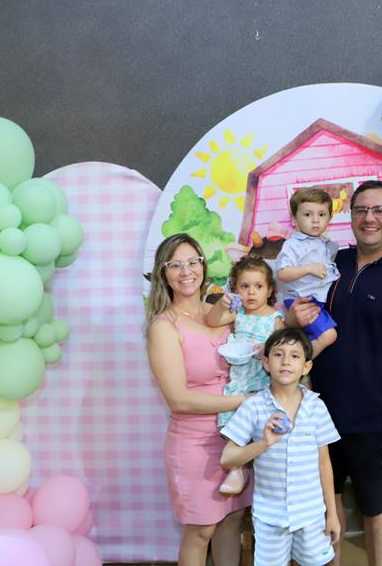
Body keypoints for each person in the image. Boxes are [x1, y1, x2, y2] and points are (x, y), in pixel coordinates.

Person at [287, 180, 382, 566]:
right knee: (328, 504)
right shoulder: (333, 263)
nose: (369, 218)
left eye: (380, 210)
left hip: (371, 422)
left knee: (375, 508)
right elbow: (299, 316)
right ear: (351, 216)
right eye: (361, 210)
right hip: (317, 414)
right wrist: (290, 319)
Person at [145, 233, 251, 566]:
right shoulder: (163, 327)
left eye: (193, 262)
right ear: (163, 274)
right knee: (202, 531)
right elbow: (179, 400)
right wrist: (245, 402)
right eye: (175, 265)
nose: (186, 271)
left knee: (232, 520)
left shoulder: (222, 312)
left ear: (204, 266)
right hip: (196, 445)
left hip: (237, 438)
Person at [220, 328, 341, 566]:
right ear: (266, 363)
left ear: (306, 366)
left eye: (295, 356)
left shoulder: (317, 407)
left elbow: (324, 463)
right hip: (269, 518)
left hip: (311, 515)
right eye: (278, 354)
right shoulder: (253, 406)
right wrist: (264, 443)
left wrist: (332, 514)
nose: (286, 361)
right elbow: (227, 458)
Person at [206, 254, 285, 495]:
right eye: (244, 286)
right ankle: (238, 468)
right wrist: (223, 305)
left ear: (269, 290)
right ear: (235, 289)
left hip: (261, 379)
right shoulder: (238, 313)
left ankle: (256, 468)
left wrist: (266, 351)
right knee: (233, 421)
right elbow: (212, 320)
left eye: (258, 286)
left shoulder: (274, 318)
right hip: (239, 378)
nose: (251, 292)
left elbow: (283, 349)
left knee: (258, 422)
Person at [276, 188, 340, 358]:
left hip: (316, 300)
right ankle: (301, 362)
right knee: (329, 335)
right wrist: (308, 268)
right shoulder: (293, 245)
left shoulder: (325, 244)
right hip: (301, 300)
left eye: (321, 214)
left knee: (308, 336)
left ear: (330, 218)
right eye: (307, 215)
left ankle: (297, 356)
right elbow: (282, 273)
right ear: (294, 218)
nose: (315, 220)